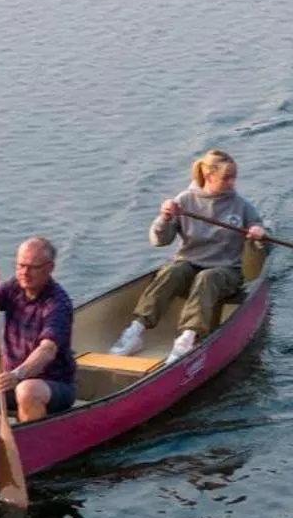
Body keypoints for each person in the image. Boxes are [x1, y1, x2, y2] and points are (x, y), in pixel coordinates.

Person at [109, 148, 267, 361]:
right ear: (209, 177)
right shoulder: (184, 200)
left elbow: (261, 231)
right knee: (171, 272)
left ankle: (188, 337)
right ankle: (136, 331)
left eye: (233, 177)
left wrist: (258, 233)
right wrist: (164, 219)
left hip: (227, 271)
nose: (232, 183)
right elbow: (160, 241)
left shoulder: (240, 205)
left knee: (206, 277)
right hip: (190, 263)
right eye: (226, 178)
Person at [0, 236, 77, 429]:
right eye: (20, 266)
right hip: (11, 382)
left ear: (49, 268)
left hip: (51, 386)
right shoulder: (15, 287)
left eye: (32, 267)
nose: (24, 273)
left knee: (27, 390)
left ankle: (30, 442)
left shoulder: (57, 303)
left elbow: (47, 349)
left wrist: (18, 375)